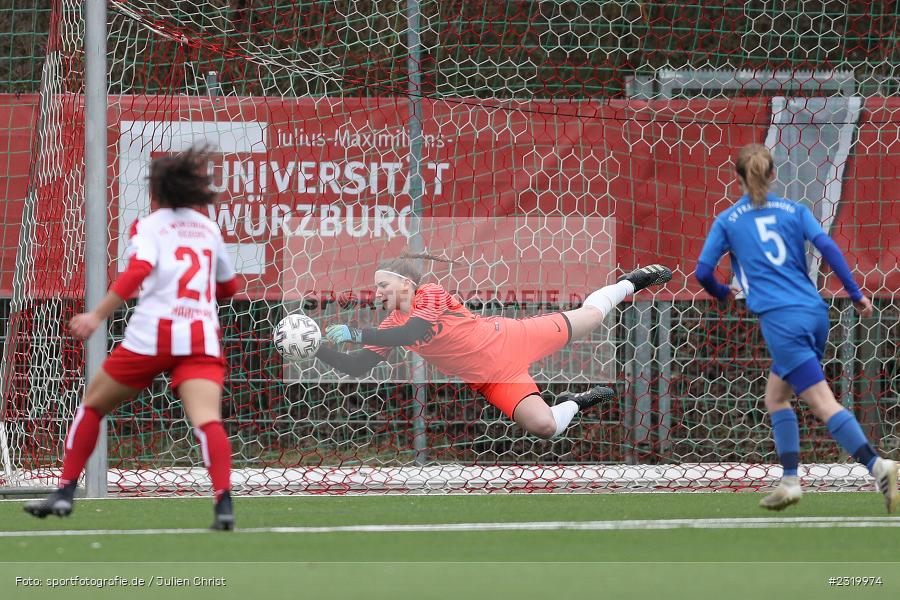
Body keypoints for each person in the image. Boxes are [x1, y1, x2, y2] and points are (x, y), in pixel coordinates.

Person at [24, 146, 239, 530]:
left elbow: (138, 271)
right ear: (193, 190)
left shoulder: (150, 226)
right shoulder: (209, 228)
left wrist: (97, 315)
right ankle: (224, 504)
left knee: (92, 406)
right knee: (208, 421)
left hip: (151, 337)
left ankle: (65, 492)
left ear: (156, 191)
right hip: (198, 338)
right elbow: (228, 286)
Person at [695, 143, 898, 512]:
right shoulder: (795, 210)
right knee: (776, 395)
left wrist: (723, 293)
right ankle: (790, 481)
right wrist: (855, 293)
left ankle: (877, 465)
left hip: (781, 319)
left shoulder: (728, 220)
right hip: (814, 312)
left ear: (738, 178)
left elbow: (702, 272)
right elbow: (829, 248)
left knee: (822, 401)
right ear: (773, 176)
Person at [316, 252, 671, 438]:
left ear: (406, 284)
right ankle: (575, 403)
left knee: (591, 316)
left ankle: (630, 282)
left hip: (512, 338)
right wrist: (315, 346)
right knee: (545, 427)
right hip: (493, 379)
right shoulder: (389, 324)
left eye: (382, 285)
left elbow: (414, 332)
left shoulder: (431, 294)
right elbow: (358, 366)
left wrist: (358, 333)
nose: (376, 293)